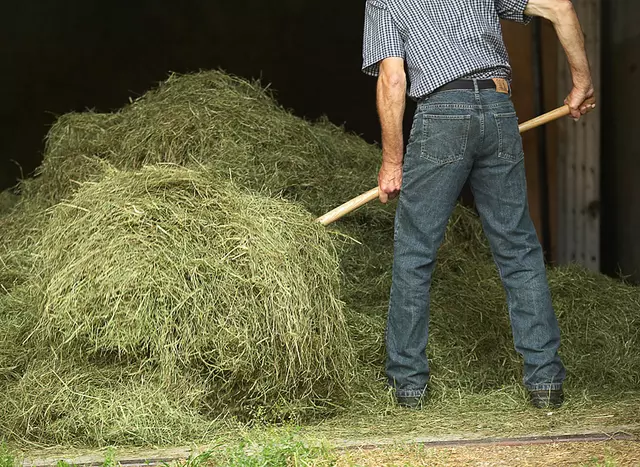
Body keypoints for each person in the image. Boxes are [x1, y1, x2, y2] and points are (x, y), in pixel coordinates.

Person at [362, 0, 596, 409]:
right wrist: (581, 83)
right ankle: (545, 383)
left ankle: (408, 388)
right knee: (518, 248)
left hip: (441, 112)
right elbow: (560, 7)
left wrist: (392, 163)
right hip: (498, 106)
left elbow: (393, 79)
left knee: (415, 252)